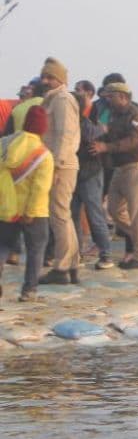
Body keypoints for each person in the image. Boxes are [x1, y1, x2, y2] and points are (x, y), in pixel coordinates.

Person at [91, 82, 138, 270]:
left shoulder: (136, 116)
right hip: (119, 168)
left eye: (111, 96)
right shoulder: (113, 116)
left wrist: (106, 147)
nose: (108, 99)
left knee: (137, 212)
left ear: (123, 96)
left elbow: (132, 141)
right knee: (114, 210)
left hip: (135, 167)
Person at [0, 106, 54, 302]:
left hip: (7, 209)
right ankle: (28, 291)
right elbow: (40, 189)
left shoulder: (5, 145)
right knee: (36, 250)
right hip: (35, 212)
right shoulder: (44, 155)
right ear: (43, 128)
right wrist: (30, 212)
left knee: (3, 246)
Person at [37, 58, 82, 286]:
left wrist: (56, 165)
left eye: (50, 77)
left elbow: (65, 135)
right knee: (63, 215)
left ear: (60, 79)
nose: (46, 81)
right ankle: (71, 264)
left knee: (59, 216)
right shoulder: (53, 99)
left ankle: (62, 267)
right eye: (44, 77)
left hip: (61, 166)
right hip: (59, 164)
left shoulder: (63, 100)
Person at [71, 83, 114, 269]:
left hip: (88, 173)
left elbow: (92, 135)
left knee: (93, 213)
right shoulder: (84, 124)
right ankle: (77, 253)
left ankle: (106, 253)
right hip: (77, 172)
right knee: (73, 216)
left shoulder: (84, 125)